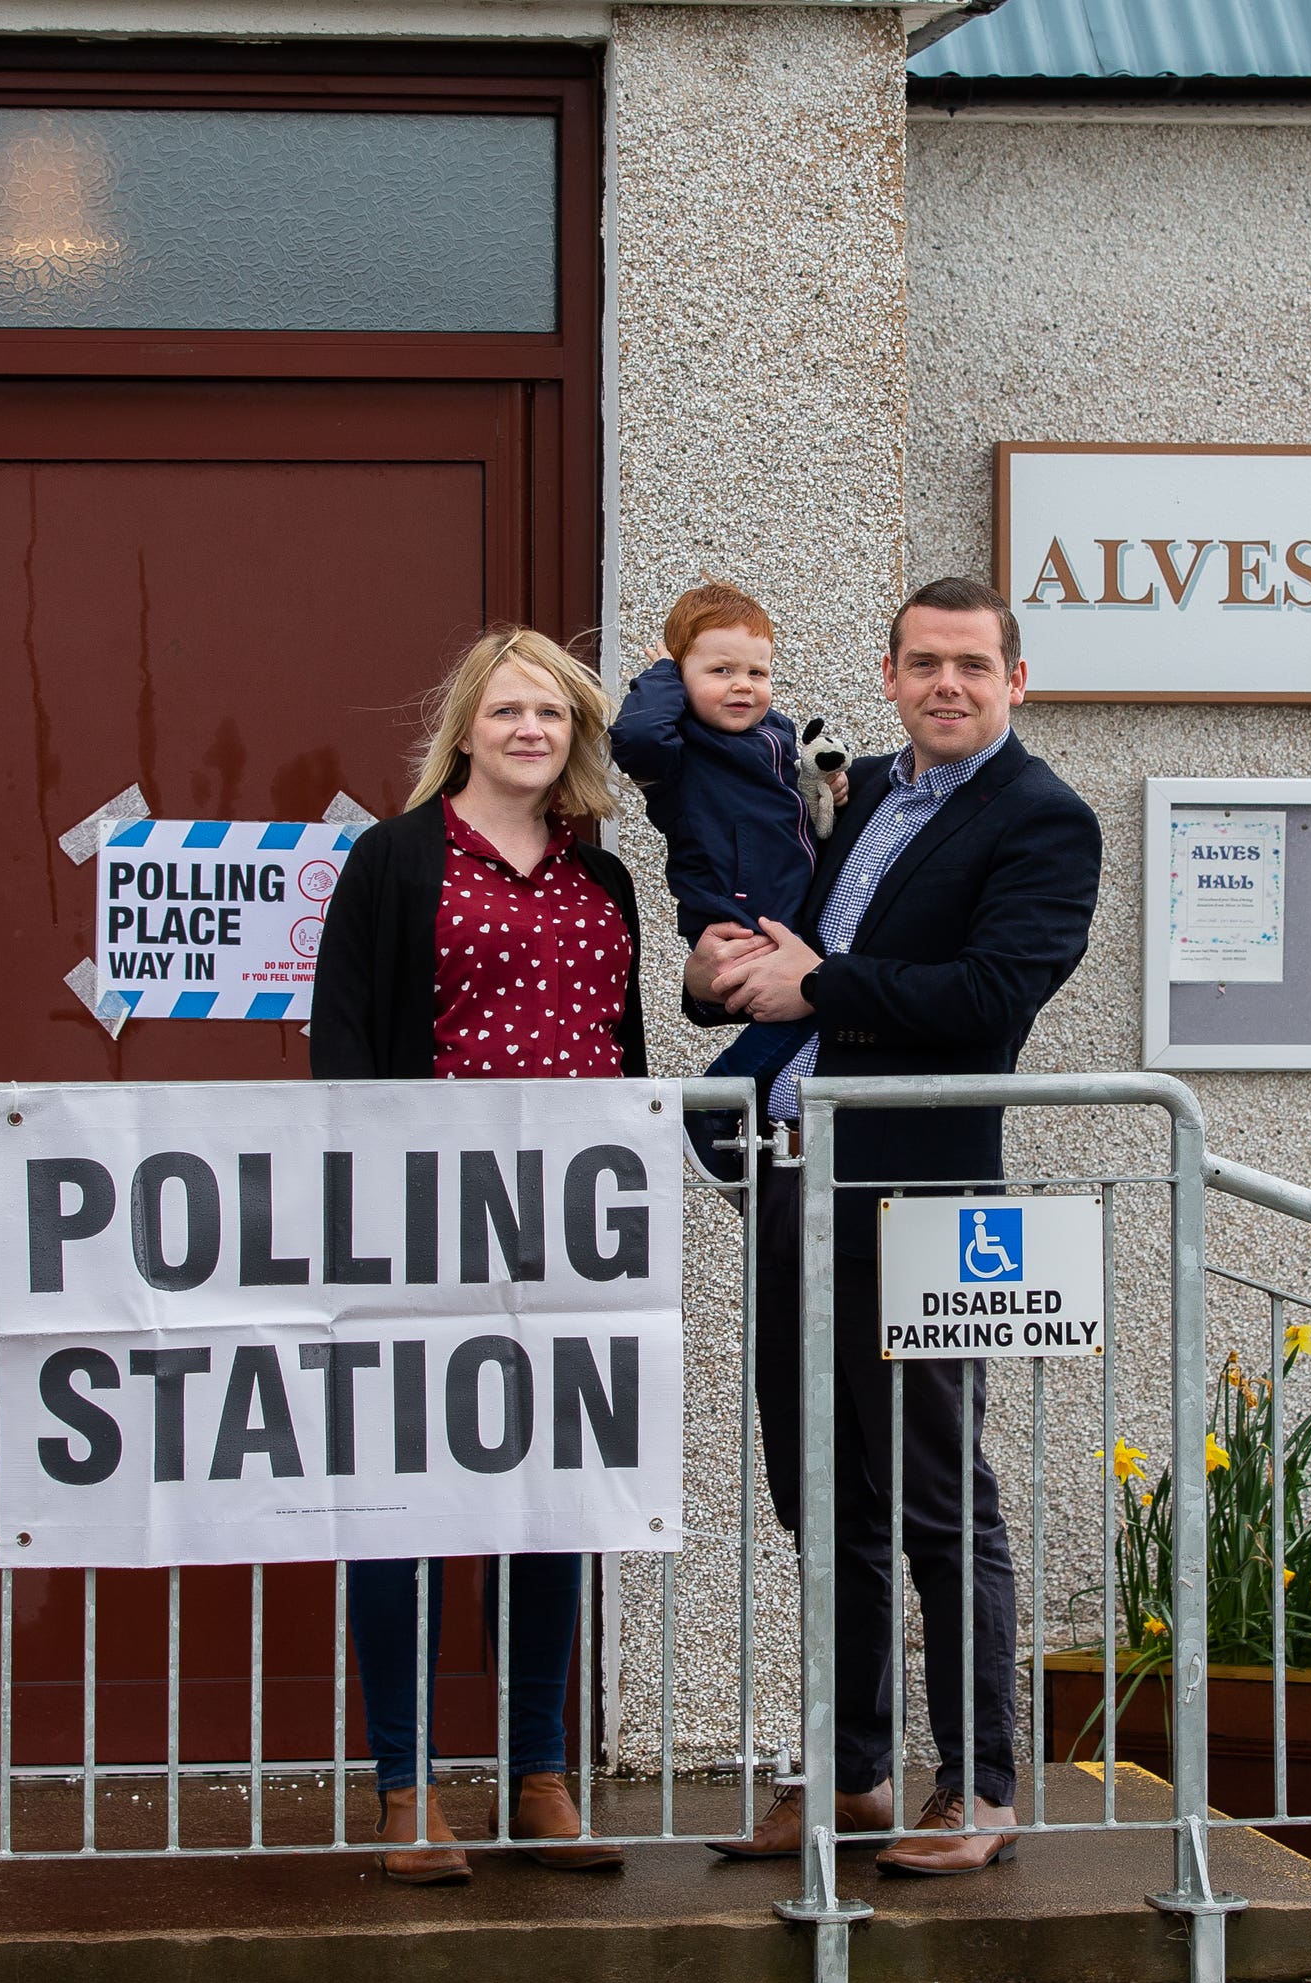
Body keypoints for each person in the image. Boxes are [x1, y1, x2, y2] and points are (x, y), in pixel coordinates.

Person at [688, 576, 1100, 1876]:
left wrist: (817, 981)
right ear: (888, 674)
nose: (947, 685)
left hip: (921, 1199)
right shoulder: (858, 791)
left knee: (938, 1498)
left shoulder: (1046, 822)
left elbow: (987, 998)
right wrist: (722, 976)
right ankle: (854, 1775)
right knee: (823, 1498)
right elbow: (788, 969)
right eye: (924, 663)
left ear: (1016, 680)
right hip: (794, 1181)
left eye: (973, 665)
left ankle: (977, 1790)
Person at [309, 625, 643, 1884]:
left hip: (567, 1237)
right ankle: (406, 1789)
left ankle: (539, 1776)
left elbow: (625, 1062)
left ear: (575, 738)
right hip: (421, 1228)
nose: (529, 730)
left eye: (551, 715)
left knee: (547, 1501)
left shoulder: (600, 881)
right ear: (465, 727)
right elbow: (342, 1050)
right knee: (403, 1504)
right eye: (507, 709)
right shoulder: (394, 865)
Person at [606, 583, 837, 1136]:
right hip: (738, 919)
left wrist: (827, 785)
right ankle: (711, 1108)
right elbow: (634, 736)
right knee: (803, 1013)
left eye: (757, 673)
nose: (742, 685)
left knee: (804, 1014)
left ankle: (729, 1111)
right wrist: (661, 673)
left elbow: (793, 798)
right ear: (682, 680)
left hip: (788, 913)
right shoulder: (679, 754)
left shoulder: (774, 734)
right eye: (719, 671)